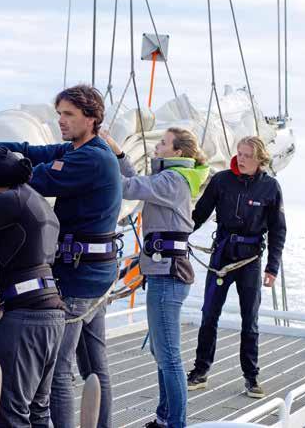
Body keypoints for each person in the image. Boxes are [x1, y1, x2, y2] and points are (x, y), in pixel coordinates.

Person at [0, 84, 122, 428]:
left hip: (77, 278)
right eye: (59, 115)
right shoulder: (80, 149)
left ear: (92, 118)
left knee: (58, 372)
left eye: (69, 114)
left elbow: (32, 176)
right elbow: (31, 151)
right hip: (95, 273)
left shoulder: (91, 158)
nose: (61, 121)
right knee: (95, 366)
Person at [103, 127, 208, 428]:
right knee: (161, 352)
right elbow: (139, 180)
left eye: (163, 142)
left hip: (167, 276)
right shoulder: (172, 179)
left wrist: (98, 162)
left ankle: (174, 423)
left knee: (169, 356)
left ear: (177, 152)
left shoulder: (173, 180)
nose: (157, 145)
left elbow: (129, 187)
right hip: (164, 273)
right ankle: (165, 418)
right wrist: (116, 150)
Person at [0, 145, 65, 427]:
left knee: (11, 414)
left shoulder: (8, 201)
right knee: (38, 411)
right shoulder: (33, 198)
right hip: (49, 315)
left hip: (25, 319)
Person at [186, 136, 286, 398]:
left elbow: (278, 231)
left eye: (247, 155)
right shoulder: (221, 181)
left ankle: (251, 377)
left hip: (251, 261)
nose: (241, 159)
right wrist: (177, 235)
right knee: (209, 314)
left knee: (249, 321)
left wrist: (272, 268)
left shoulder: (270, 188)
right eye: (239, 153)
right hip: (221, 256)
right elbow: (199, 215)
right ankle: (200, 371)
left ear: (260, 159)